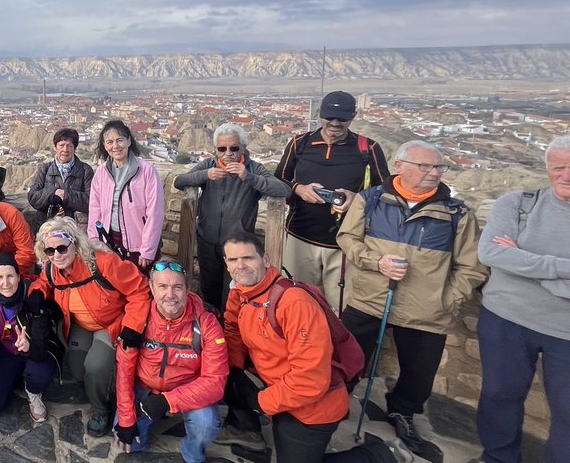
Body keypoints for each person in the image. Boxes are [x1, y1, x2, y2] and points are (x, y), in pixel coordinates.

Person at [337, 140, 485, 458]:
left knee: (419, 374)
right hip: (370, 299)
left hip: (426, 310)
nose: (434, 173)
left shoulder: (456, 213)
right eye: (425, 166)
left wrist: (447, 301)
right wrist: (376, 261)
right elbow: (347, 238)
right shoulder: (371, 200)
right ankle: (335, 403)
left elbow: (471, 267)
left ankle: (403, 412)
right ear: (399, 166)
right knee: (345, 357)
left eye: (438, 167)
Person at [222, 232, 411, 463]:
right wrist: (235, 370)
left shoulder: (294, 303)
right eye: (233, 260)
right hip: (281, 393)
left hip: (313, 408)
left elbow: (310, 380)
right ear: (226, 264)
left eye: (248, 258)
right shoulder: (241, 292)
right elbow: (232, 328)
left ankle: (380, 454)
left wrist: (261, 402)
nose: (241, 265)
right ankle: (251, 430)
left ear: (266, 260)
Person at [475, 135, 570, 463]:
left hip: (565, 331)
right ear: (547, 169)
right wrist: (562, 270)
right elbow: (490, 253)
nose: (566, 175)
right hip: (506, 318)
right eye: (558, 167)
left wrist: (523, 262)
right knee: (498, 396)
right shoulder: (517, 204)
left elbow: (508, 259)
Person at [28, 217, 150, 438]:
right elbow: (43, 282)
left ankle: (100, 409)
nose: (56, 255)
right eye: (49, 250)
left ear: (75, 244)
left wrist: (133, 326)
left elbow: (140, 289)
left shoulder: (103, 263)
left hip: (110, 324)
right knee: (77, 368)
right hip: (81, 325)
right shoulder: (52, 269)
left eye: (62, 248)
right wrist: (37, 291)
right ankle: (102, 389)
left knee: (95, 367)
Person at [275, 90, 389, 309]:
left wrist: (357, 198)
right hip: (300, 236)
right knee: (297, 302)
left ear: (353, 116)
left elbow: (385, 190)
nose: (335, 123)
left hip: (344, 242)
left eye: (342, 118)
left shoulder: (368, 149)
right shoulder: (300, 143)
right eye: (330, 117)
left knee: (339, 307)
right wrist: (299, 189)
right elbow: (278, 179)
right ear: (320, 113)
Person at [114, 260, 225, 461]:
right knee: (129, 443)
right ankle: (147, 418)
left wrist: (167, 401)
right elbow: (124, 370)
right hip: (145, 386)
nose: (170, 294)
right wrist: (126, 420)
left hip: (188, 387)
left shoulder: (207, 323)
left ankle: (192, 453)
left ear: (188, 289)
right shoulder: (138, 318)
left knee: (205, 425)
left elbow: (215, 382)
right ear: (151, 288)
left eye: (177, 287)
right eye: (163, 286)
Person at [173, 123, 290, 310]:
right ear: (216, 149)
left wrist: (249, 177)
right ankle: (212, 323)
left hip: (238, 247)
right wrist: (205, 175)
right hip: (208, 240)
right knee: (208, 288)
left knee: (234, 292)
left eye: (234, 148)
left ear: (243, 148)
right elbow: (180, 181)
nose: (228, 153)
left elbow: (283, 190)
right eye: (222, 149)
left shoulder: (253, 169)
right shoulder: (209, 165)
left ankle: (233, 325)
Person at [0, 253, 60, 423]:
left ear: (18, 276)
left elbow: (41, 348)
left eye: (10, 276)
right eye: (0, 277)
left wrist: (28, 347)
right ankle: (16, 376)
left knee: (39, 373)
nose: (5, 283)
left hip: (35, 351)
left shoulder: (33, 297)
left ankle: (33, 391)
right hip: (7, 350)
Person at [87, 119, 166, 272]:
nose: (115, 146)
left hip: (139, 244)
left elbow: (155, 212)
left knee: (142, 284)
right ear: (105, 146)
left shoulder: (146, 171)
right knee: (113, 284)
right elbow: (95, 210)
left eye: (120, 140)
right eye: (110, 142)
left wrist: (148, 249)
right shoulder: (101, 173)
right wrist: (94, 242)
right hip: (110, 242)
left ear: (129, 141)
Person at [27, 127, 94, 226]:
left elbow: (92, 201)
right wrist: (53, 192)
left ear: (74, 148)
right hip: (48, 226)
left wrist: (66, 195)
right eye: (61, 145)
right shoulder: (45, 169)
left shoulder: (85, 170)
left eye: (69, 146)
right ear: (55, 147)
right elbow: (33, 197)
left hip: (74, 227)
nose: (65, 150)